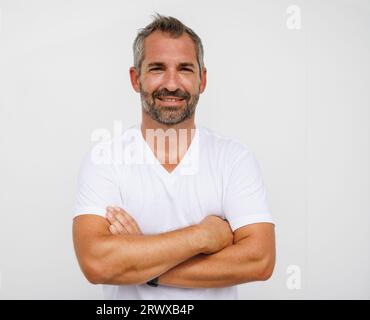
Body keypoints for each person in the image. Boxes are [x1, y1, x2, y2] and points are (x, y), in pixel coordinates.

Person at [72, 14, 275, 300]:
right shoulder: (105, 160)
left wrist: (141, 263)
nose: (171, 83)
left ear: (202, 80)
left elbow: (260, 260)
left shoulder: (234, 159)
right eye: (157, 68)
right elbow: (97, 263)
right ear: (135, 78)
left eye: (185, 69)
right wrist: (202, 237)